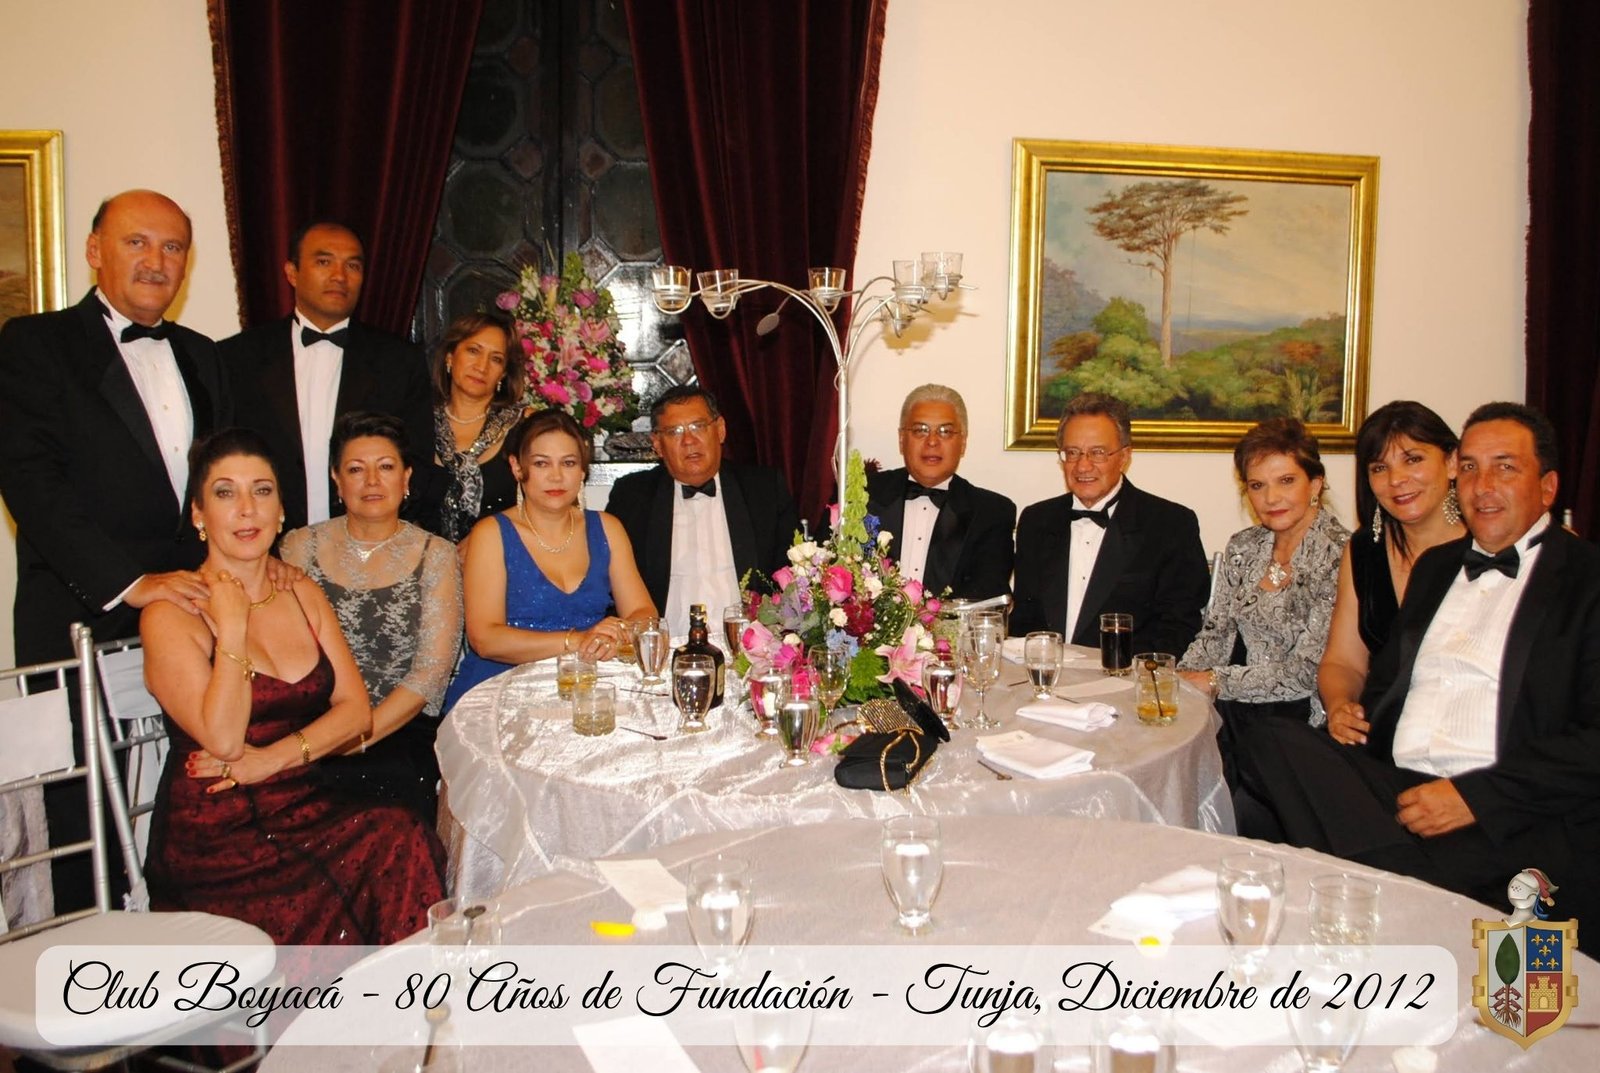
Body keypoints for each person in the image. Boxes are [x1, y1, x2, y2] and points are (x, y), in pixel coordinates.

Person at [1234, 403, 1600, 926]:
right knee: (1267, 739)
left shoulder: (1586, 579)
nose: (1482, 485)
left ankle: (1389, 889)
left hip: (1501, 805)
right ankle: (1411, 886)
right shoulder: (1436, 569)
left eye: (1504, 467)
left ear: (1547, 487)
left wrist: (1473, 797)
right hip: (1397, 788)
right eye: (1470, 467)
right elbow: (1381, 686)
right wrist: (1344, 713)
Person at [0, 189, 232, 909]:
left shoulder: (203, 355)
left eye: (173, 247)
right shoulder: (34, 343)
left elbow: (222, 483)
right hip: (81, 611)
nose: (156, 261)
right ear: (94, 250)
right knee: (84, 825)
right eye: (137, 242)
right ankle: (89, 960)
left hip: (191, 616)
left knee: (192, 799)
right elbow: (31, 483)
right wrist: (132, 582)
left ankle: (187, 940)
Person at [141, 429, 446, 945]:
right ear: (198, 514)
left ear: (281, 511)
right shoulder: (171, 614)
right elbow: (224, 740)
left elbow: (355, 713)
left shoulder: (300, 591)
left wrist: (273, 759)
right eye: (225, 493)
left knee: (401, 834)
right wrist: (232, 626)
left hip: (304, 804)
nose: (246, 509)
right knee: (385, 848)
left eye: (261, 491)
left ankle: (410, 994)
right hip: (218, 842)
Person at [280, 412, 462, 821]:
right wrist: (319, 738)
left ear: (406, 477)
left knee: (386, 808)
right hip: (309, 723)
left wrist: (357, 737)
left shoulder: (436, 554)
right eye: (356, 469)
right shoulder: (299, 547)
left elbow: (430, 673)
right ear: (337, 479)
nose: (372, 481)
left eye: (386, 467)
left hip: (398, 729)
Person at [221, 220, 441, 531]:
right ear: (292, 272)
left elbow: (415, 461)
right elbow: (221, 460)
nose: (340, 276)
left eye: (353, 265)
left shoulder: (399, 360)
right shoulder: (236, 358)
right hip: (264, 544)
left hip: (368, 543)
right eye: (324, 262)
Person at [444, 410, 656, 710]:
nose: (556, 476)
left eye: (568, 463)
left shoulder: (608, 528)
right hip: (501, 691)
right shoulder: (491, 534)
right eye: (541, 463)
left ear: (582, 470)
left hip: (587, 685)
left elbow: (643, 612)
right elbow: (485, 639)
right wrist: (576, 641)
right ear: (517, 467)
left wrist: (619, 632)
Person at [1178, 419, 1349, 784]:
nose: (1271, 498)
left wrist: (1213, 681)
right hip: (1232, 711)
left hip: (1301, 724)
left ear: (1315, 483)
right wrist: (1176, 682)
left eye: (1286, 481)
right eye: (1257, 485)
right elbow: (1215, 634)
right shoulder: (1244, 546)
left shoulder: (1341, 555)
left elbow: (1308, 671)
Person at [1010, 392, 1210, 655]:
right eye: (1072, 452)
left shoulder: (1170, 525)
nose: (1083, 466)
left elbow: (1178, 628)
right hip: (1046, 675)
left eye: (1098, 453)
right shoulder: (1036, 520)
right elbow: (1025, 622)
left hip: (1126, 676)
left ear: (1125, 456)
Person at [1319, 401, 1464, 746]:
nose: (1396, 480)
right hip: (1379, 729)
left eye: (1413, 459)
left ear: (1452, 462)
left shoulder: (1488, 548)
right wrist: (1340, 707)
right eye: (1380, 467)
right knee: (1267, 743)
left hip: (1458, 734)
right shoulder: (1363, 550)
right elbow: (1343, 662)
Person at [606, 386, 799, 637]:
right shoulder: (632, 496)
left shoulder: (763, 490)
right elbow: (609, 586)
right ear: (657, 444)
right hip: (665, 645)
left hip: (749, 646)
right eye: (674, 432)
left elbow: (792, 577)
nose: (688, 441)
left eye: (698, 426)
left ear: (720, 430)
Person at [866, 384, 1016, 601]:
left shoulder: (992, 513)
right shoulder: (862, 495)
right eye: (920, 430)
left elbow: (985, 599)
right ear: (901, 439)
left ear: (963, 443)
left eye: (945, 431)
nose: (932, 441)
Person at [431, 310, 527, 541]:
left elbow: (548, 507)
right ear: (450, 357)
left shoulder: (525, 426)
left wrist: (482, 543)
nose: (482, 366)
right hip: (424, 558)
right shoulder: (418, 422)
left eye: (496, 359)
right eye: (473, 351)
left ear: (503, 373)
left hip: (504, 557)